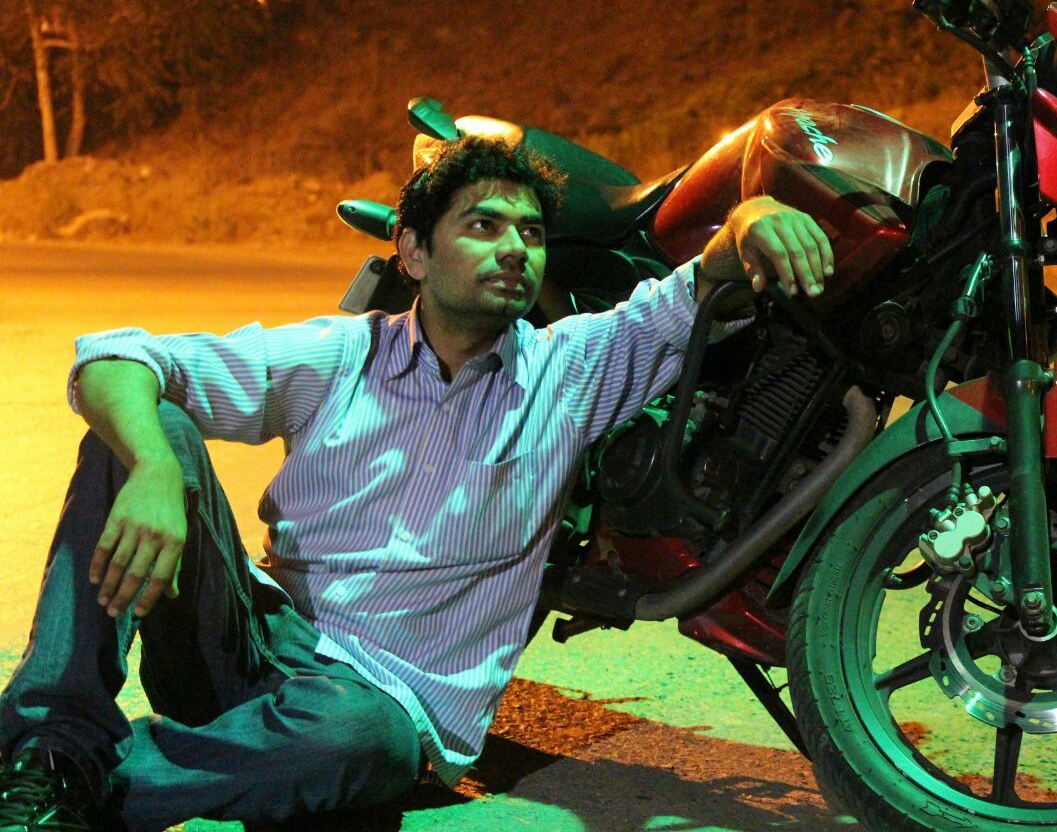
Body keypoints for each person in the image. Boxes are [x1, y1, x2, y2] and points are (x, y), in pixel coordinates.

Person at [0, 135, 833, 831]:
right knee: (149, 428)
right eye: (484, 226)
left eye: (531, 233)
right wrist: (152, 468)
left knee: (356, 736)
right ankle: (50, 742)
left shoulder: (569, 370)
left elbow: (700, 286)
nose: (515, 249)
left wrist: (752, 216)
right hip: (248, 643)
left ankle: (69, 787)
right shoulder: (342, 354)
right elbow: (115, 357)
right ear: (414, 252)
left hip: (375, 704)